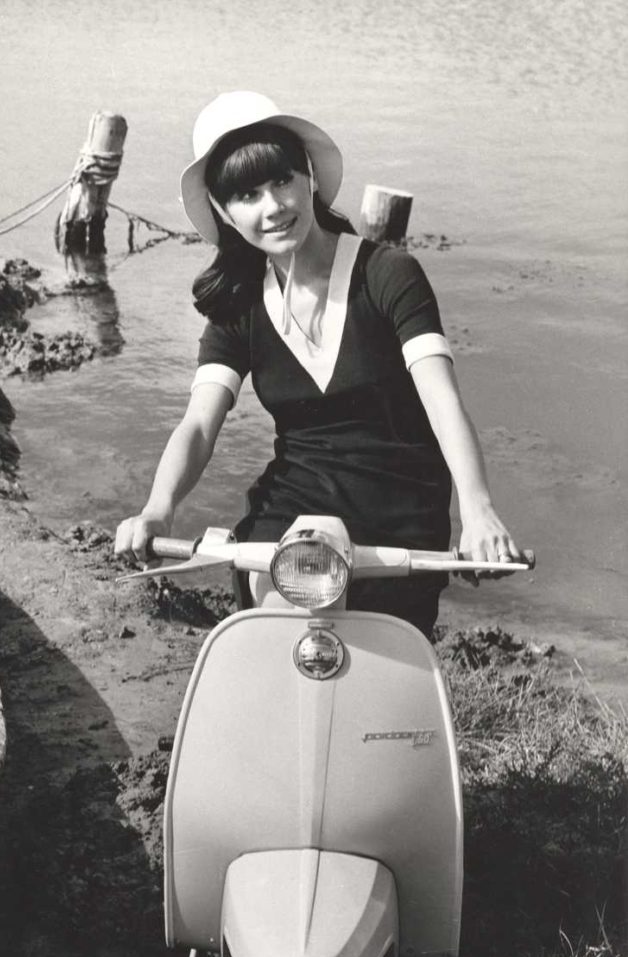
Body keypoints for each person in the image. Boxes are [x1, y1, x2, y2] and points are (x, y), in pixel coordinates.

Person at [114, 91, 520, 636]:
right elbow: (198, 424)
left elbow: (443, 401)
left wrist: (478, 512)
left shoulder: (389, 274)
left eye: (282, 181)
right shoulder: (238, 303)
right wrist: (158, 508)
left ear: (309, 177)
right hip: (294, 507)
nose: (273, 206)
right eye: (247, 194)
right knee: (272, 633)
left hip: (399, 512)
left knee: (381, 664)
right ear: (224, 212)